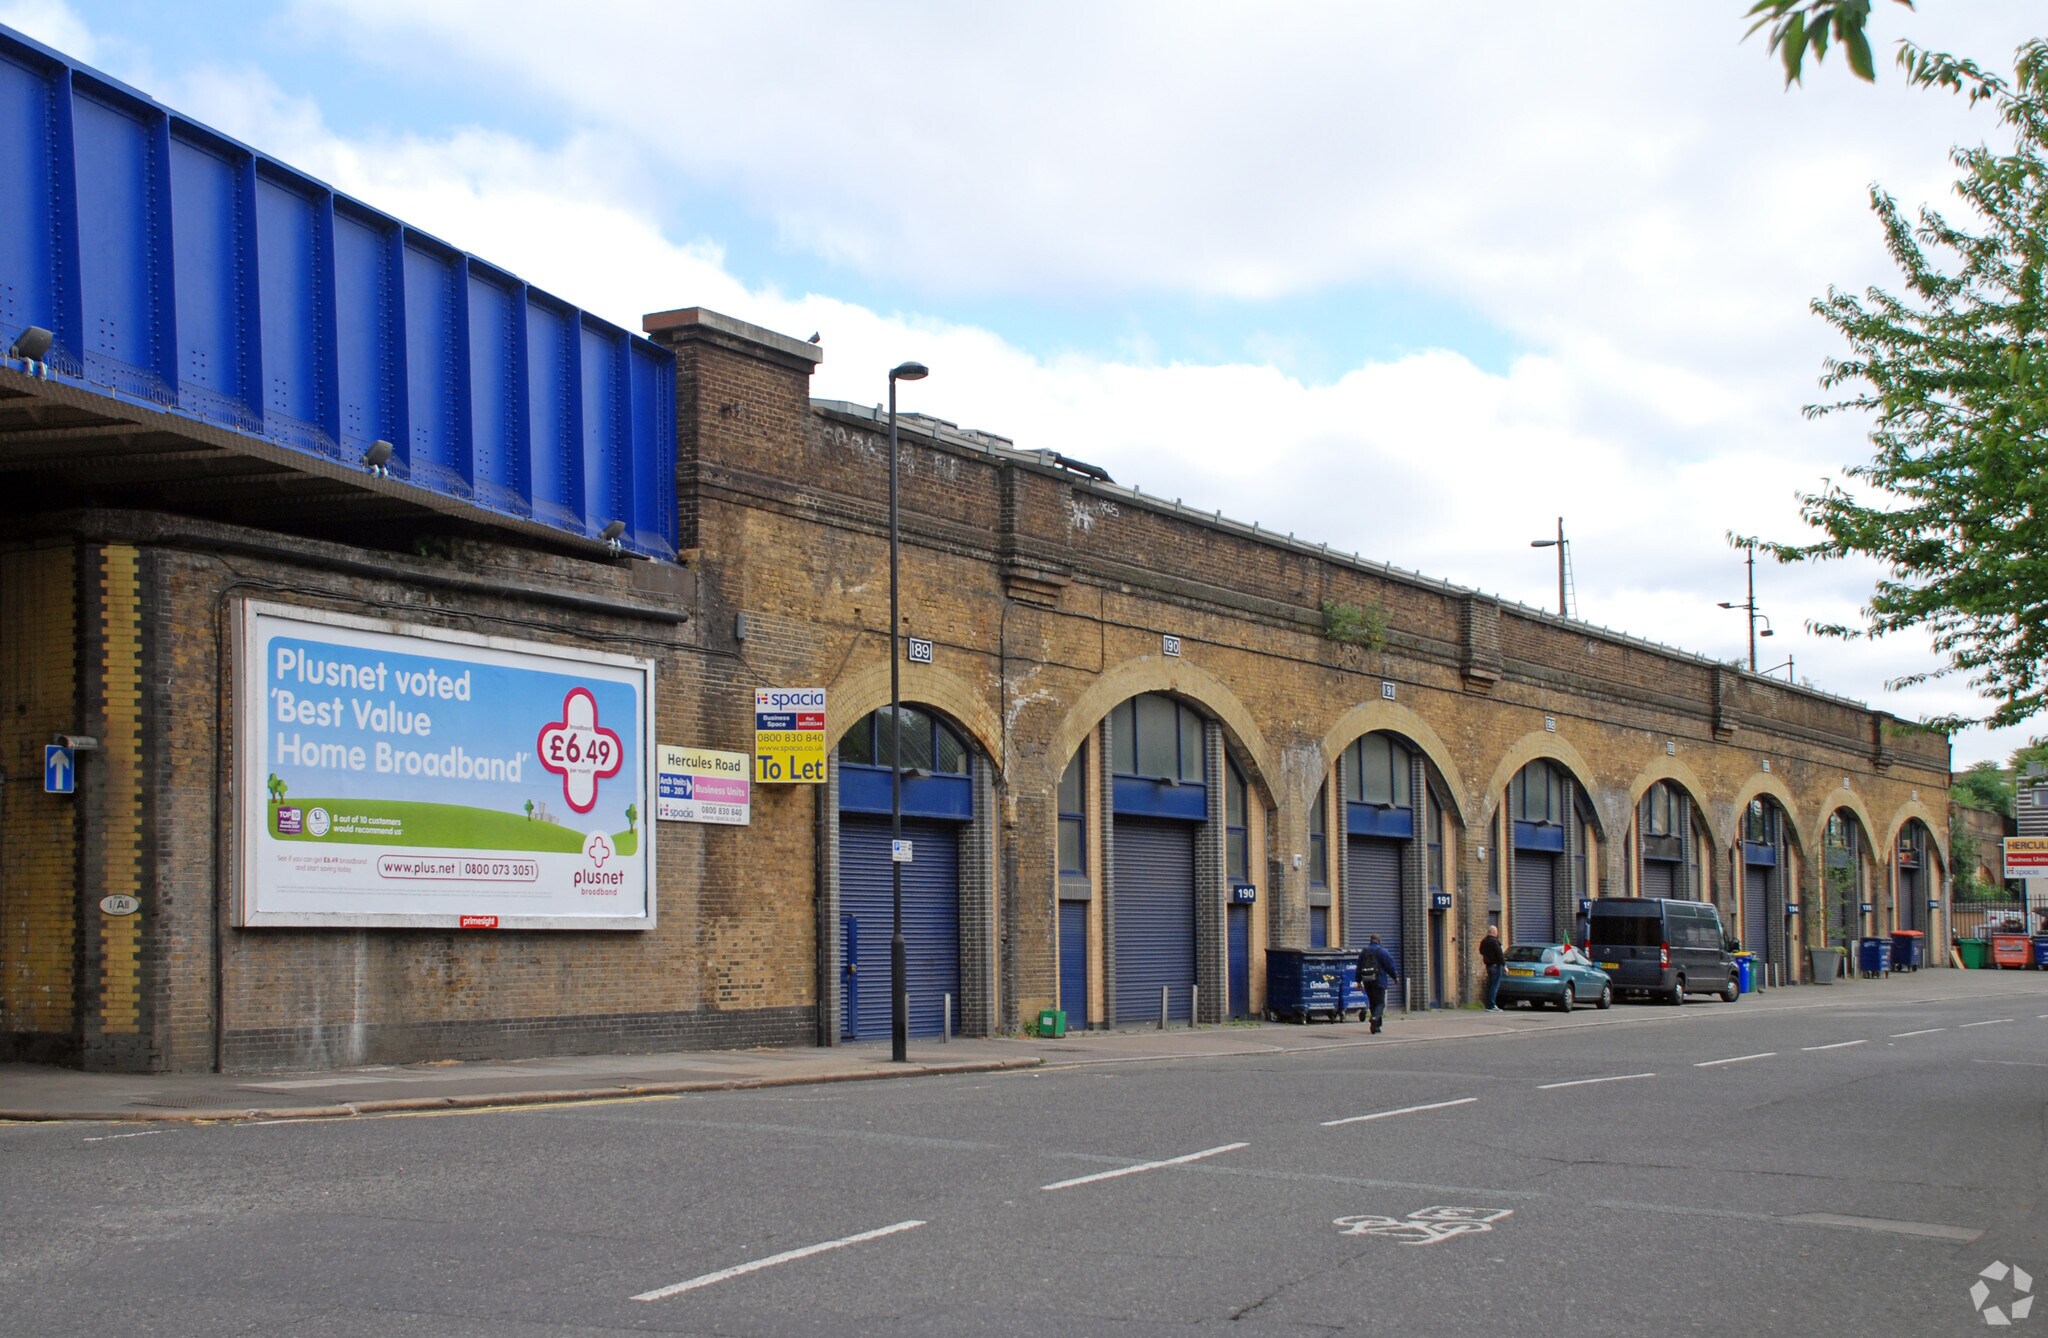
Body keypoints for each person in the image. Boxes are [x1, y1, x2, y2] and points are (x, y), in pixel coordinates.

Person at [1358, 933, 1400, 1034]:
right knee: (1380, 1003)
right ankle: (1375, 1018)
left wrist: (1358, 981)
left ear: (1370, 940)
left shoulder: (1364, 951)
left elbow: (1359, 967)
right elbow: (1390, 965)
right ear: (1379, 940)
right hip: (1379, 980)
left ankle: (1376, 1027)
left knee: (1373, 1003)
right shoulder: (1382, 951)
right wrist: (1395, 977)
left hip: (1367, 980)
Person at [1480, 923, 1505, 1011]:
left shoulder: (1484, 941)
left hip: (1488, 966)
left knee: (1491, 985)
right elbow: (1499, 954)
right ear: (1494, 932)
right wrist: (1504, 965)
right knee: (1494, 986)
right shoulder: (1495, 941)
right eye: (1497, 932)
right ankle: (1491, 1005)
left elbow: (1481, 951)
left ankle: (1489, 1004)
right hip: (1495, 966)